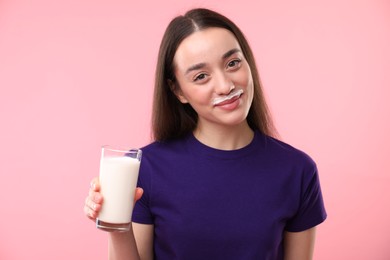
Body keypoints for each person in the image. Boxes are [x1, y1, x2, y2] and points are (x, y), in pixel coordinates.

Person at [84, 8, 327, 260]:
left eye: (233, 63)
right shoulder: (146, 169)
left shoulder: (297, 171)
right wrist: (117, 226)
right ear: (177, 91)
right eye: (201, 76)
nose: (225, 85)